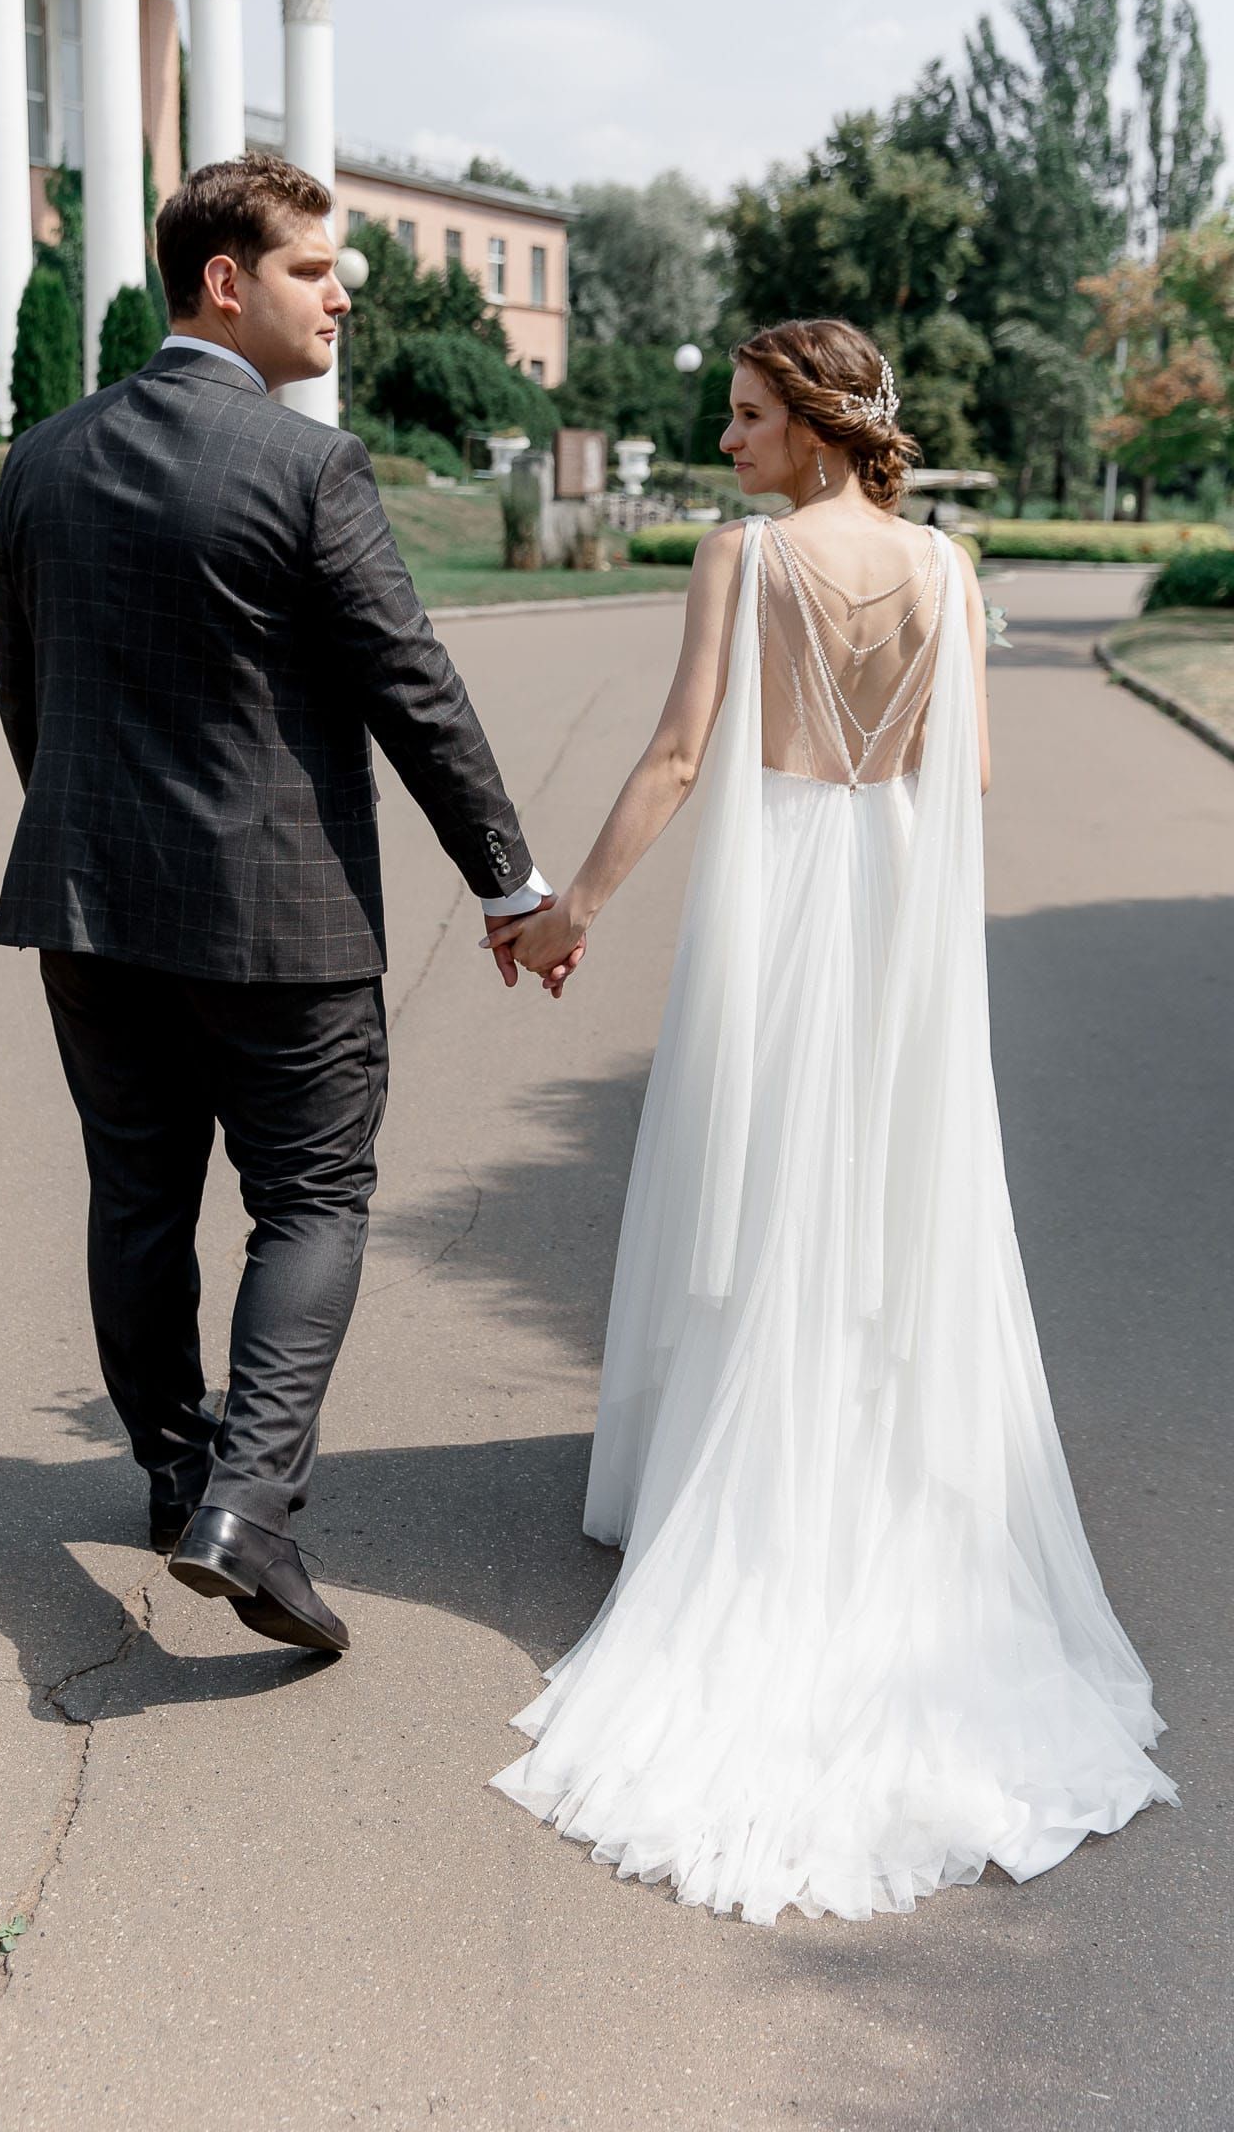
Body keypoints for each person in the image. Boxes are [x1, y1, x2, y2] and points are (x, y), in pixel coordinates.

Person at [485, 319, 1177, 1922]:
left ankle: (747, 1479)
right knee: (878, 1191)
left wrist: (569, 909)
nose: (724, 441)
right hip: (891, 919)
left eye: (742, 416)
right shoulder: (948, 573)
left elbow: (675, 757)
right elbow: (972, 776)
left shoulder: (743, 559)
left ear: (807, 428)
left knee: (760, 1181)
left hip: (783, 909)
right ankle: (871, 1466)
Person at [0, 157, 553, 1659]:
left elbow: (26, 702)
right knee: (312, 1198)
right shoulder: (310, 468)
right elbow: (413, 692)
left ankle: (178, 1481)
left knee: (138, 1195)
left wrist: (101, 841)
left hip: (91, 909)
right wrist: (512, 884)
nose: (345, 293)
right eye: (317, 268)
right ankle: (248, 1507)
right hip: (283, 924)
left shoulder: (41, 456)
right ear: (224, 282)